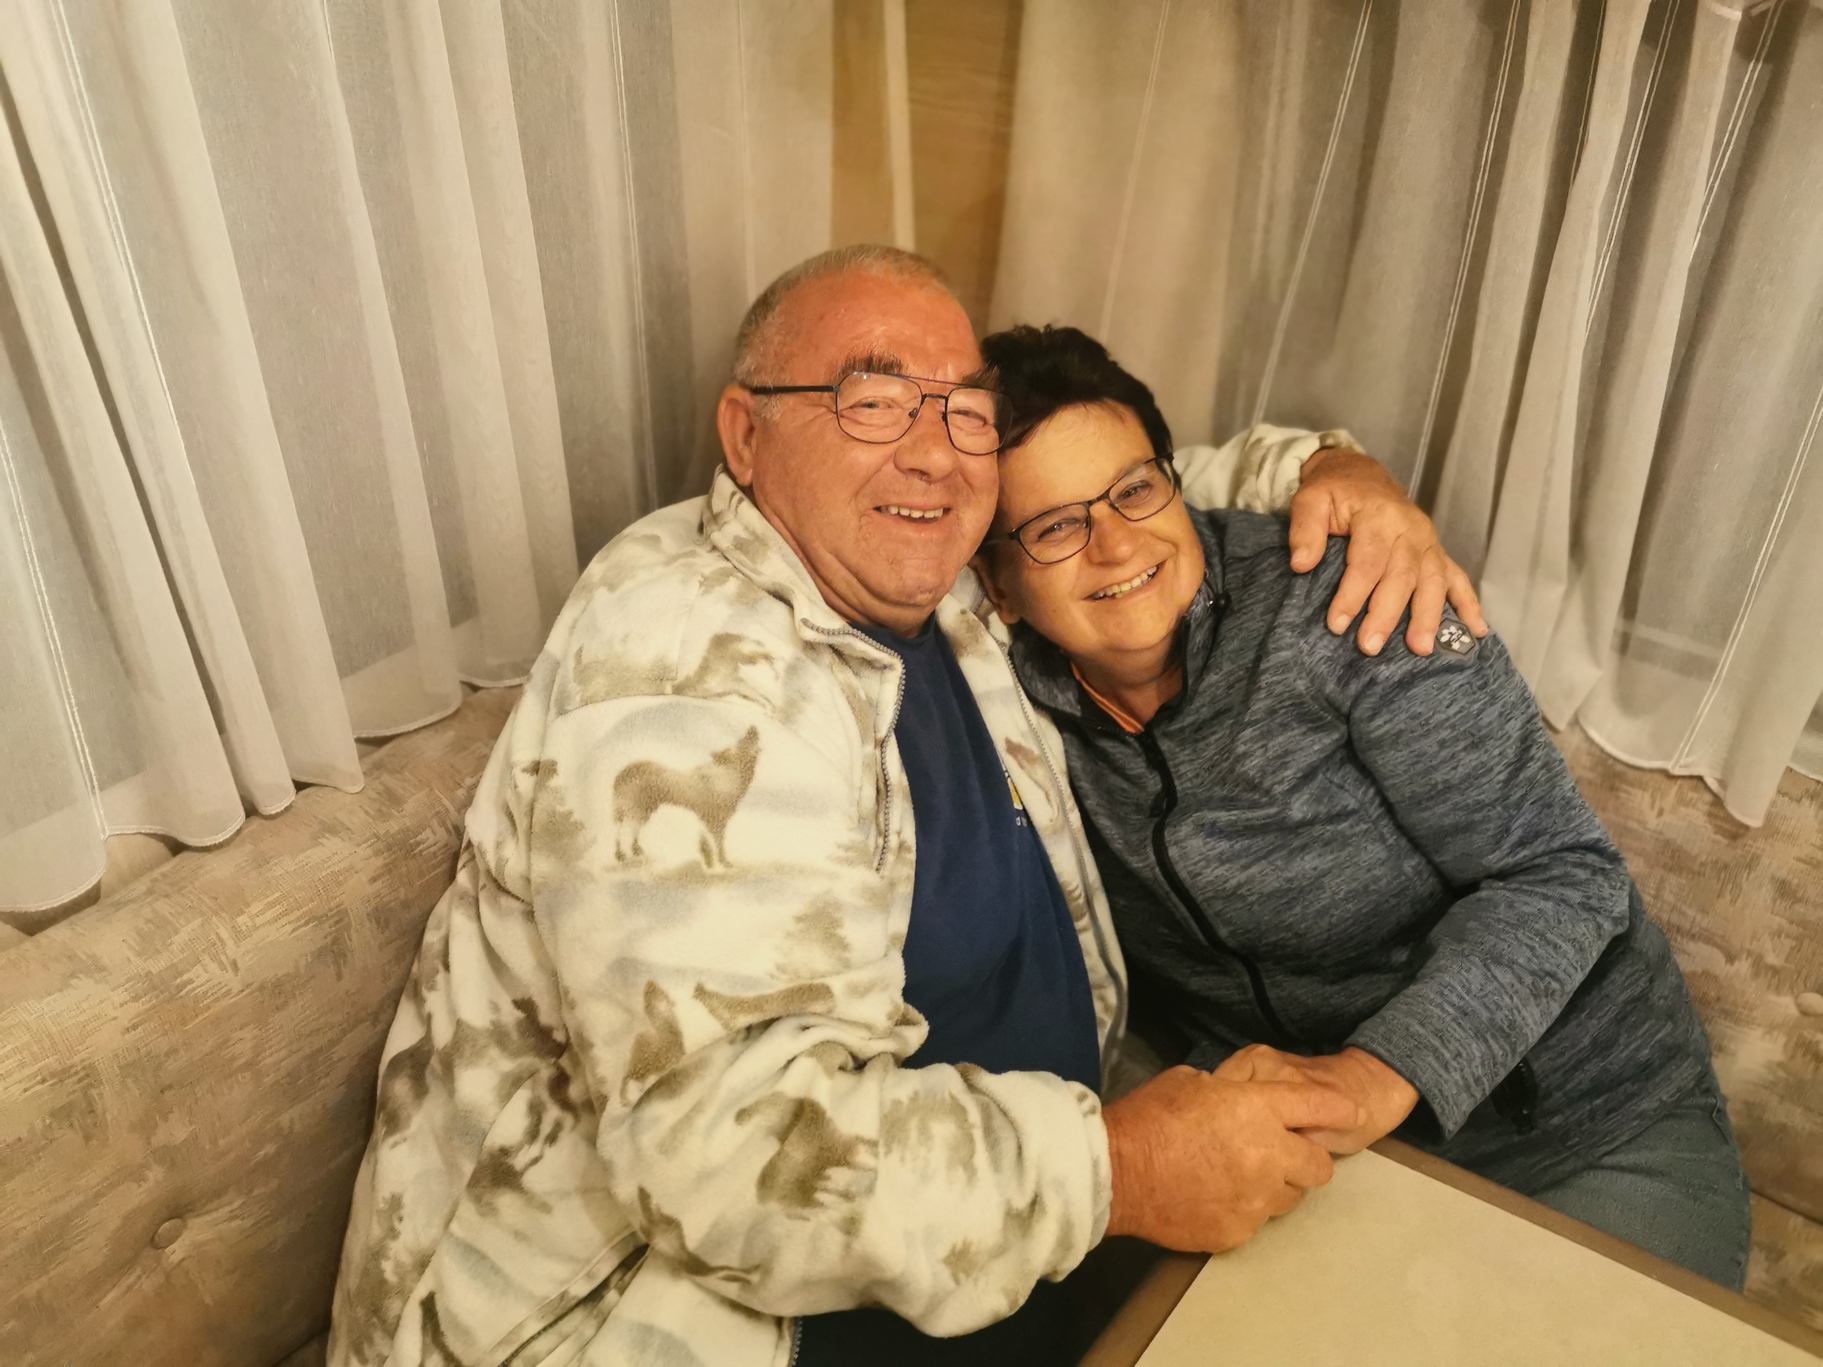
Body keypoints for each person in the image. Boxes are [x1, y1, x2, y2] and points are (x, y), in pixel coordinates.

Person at [326, 247, 1476, 1367]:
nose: (933, 453)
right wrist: (1121, 1167)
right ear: (745, 435)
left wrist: (1329, 470)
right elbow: (730, 1167)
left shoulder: (942, 577)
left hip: (1009, 1242)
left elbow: (1129, 486)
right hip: (668, 1314)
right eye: (871, 400)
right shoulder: (684, 661)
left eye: (964, 411)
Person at [970, 323, 1753, 1290]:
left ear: (1173, 482)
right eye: (1053, 527)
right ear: (996, 585)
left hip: (1586, 1119)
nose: (1117, 542)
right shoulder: (1005, 702)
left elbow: (1559, 872)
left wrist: (1366, 1077)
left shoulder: (1351, 599)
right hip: (1316, 1149)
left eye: (1135, 489)